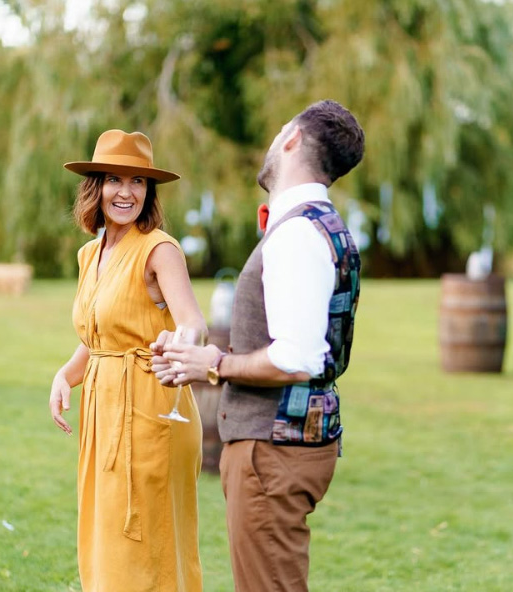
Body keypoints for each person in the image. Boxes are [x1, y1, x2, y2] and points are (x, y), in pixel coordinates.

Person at [152, 100, 365, 592]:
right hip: (284, 445)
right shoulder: (318, 224)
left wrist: (215, 363)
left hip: (272, 452)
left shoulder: (296, 235)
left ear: (291, 138)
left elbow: (297, 357)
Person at [49, 129, 205, 592]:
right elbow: (101, 335)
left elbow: (194, 322)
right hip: (103, 413)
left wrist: (182, 345)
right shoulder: (89, 254)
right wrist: (65, 374)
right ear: (95, 188)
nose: (127, 191)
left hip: (151, 410)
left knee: (145, 547)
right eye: (115, 179)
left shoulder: (159, 249)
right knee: (107, 541)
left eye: (138, 182)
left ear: (148, 191)